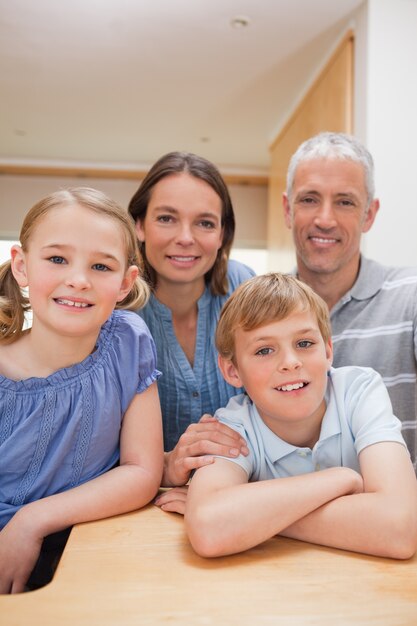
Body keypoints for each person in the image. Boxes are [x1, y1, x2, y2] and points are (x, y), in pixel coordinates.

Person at [184, 273, 417, 559]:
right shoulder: (232, 427)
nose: (291, 363)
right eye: (264, 350)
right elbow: (209, 530)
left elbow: (401, 528)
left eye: (304, 344)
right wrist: (339, 479)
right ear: (232, 371)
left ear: (328, 349)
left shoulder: (359, 391)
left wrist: (259, 518)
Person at [0, 187, 163, 594]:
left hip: (92, 542)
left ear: (126, 282)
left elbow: (142, 471)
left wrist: (31, 521)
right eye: (57, 259)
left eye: (101, 267)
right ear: (21, 266)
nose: (78, 280)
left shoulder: (128, 342)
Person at [282, 132, 417, 471]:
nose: (325, 219)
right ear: (288, 209)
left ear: (369, 214)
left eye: (345, 202)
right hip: (284, 522)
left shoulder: (410, 298)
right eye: (309, 199)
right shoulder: (263, 314)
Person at [128, 152, 253, 490]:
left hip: (238, 496)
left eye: (205, 222)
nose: (186, 237)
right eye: (167, 218)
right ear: (139, 225)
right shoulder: (115, 308)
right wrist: (166, 465)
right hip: (135, 503)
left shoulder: (247, 290)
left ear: (222, 233)